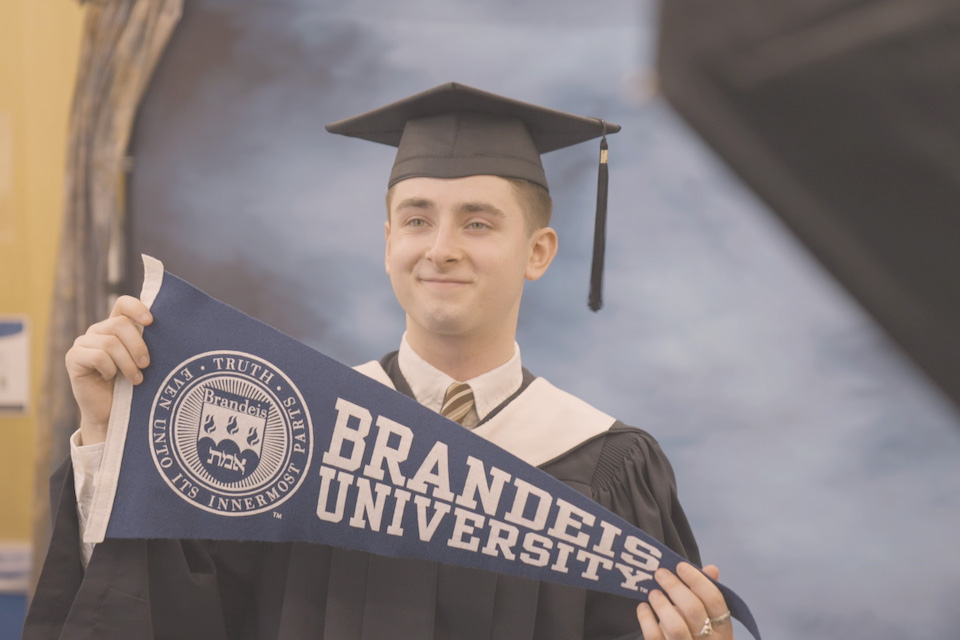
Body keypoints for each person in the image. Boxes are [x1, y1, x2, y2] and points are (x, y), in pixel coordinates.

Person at [24, 83, 736, 640]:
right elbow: (167, 616)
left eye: (479, 222)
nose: (442, 247)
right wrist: (106, 437)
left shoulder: (606, 470)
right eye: (418, 218)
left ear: (538, 253)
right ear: (387, 239)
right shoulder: (293, 443)